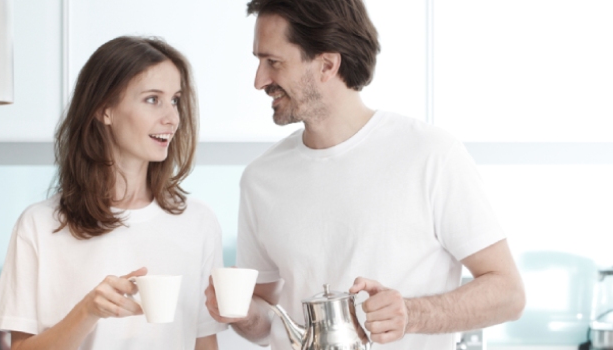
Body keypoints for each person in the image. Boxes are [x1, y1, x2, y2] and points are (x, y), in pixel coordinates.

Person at [204, 0, 526, 349]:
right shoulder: (260, 178)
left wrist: (412, 314)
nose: (259, 80)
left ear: (327, 64)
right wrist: (239, 312)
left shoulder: (430, 154)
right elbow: (267, 320)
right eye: (259, 62)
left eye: (273, 62)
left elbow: (508, 292)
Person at [0, 36, 226, 350]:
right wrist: (88, 311)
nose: (172, 118)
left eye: (175, 100)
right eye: (153, 99)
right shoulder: (40, 225)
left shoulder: (198, 222)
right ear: (104, 110)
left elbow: (203, 345)